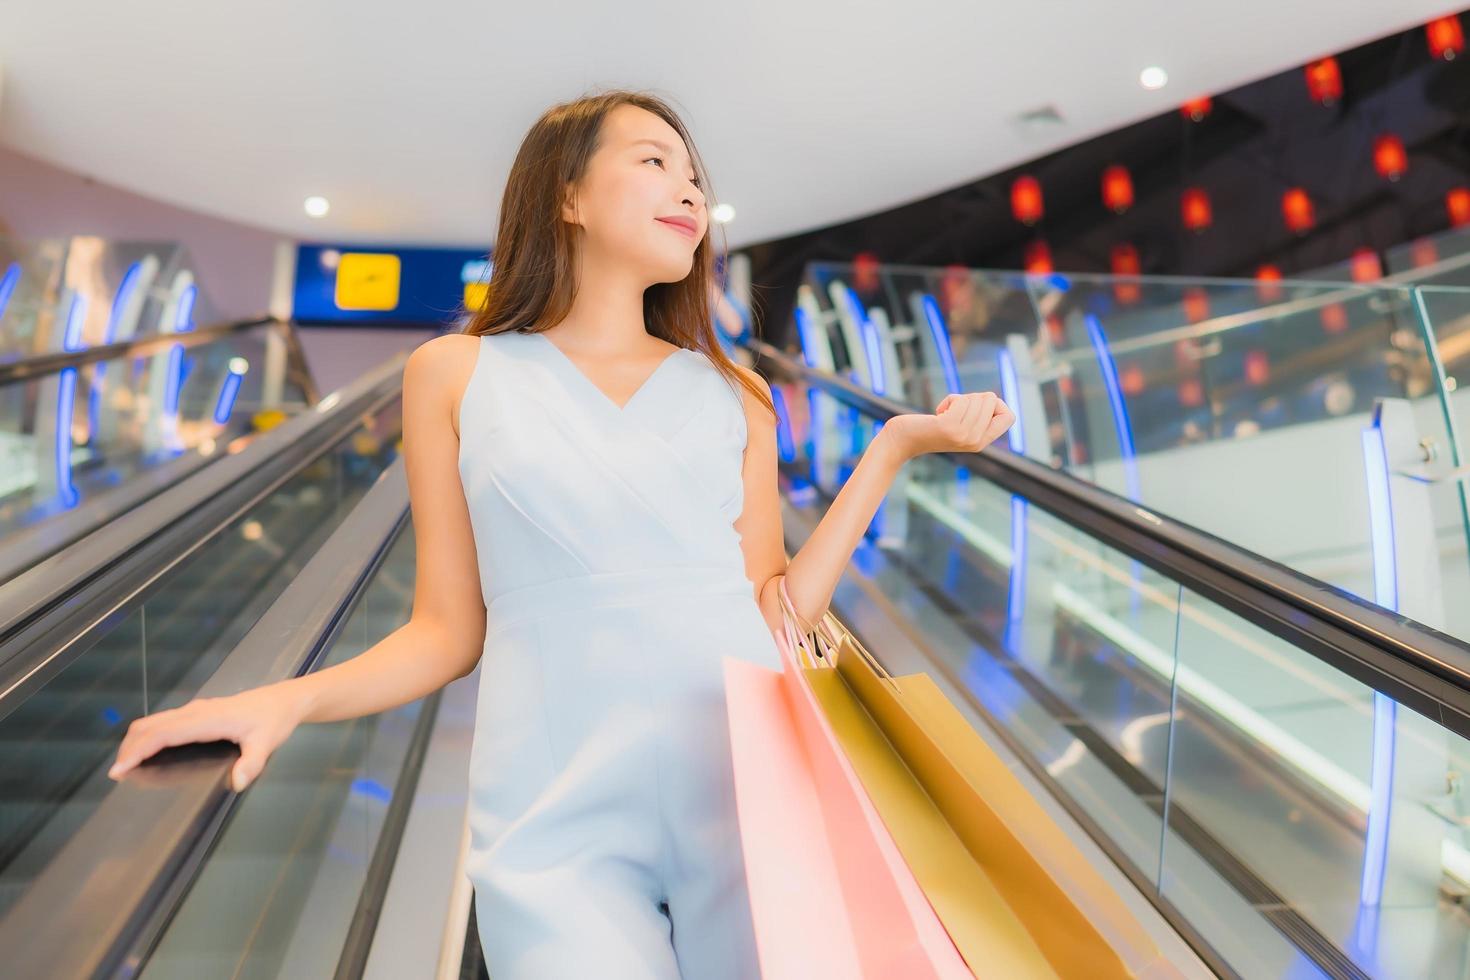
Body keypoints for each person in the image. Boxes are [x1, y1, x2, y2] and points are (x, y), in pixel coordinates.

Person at [107, 90, 1014, 978]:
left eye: (696, 176)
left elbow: (774, 604)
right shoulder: (455, 374)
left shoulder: (734, 392)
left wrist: (893, 448)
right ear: (566, 197)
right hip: (550, 803)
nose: (691, 191)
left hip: (745, 782)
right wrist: (285, 700)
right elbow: (445, 632)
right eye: (654, 162)